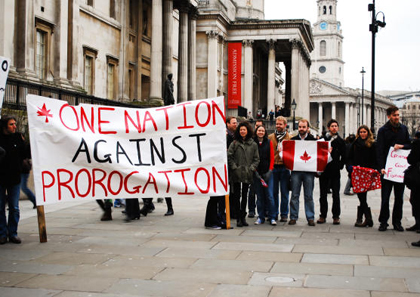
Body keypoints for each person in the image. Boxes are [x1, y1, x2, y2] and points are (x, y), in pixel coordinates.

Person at [376, 106, 411, 232]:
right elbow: (379, 150)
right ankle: (383, 222)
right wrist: (381, 167)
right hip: (387, 169)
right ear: (389, 116)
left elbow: (409, 145)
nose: (397, 117)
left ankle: (397, 222)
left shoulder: (403, 129)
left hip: (399, 170)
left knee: (399, 198)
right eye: (394, 115)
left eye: (398, 115)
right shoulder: (383, 130)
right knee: (385, 198)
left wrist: (402, 146)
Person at [0, 115, 26, 244]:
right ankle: (2, 234)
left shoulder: (17, 137)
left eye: (15, 124)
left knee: (14, 207)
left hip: (14, 178)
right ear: (4, 126)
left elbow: (25, 154)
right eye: (11, 124)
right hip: (1, 177)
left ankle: (13, 233)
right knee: (0, 208)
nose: (14, 126)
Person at [228, 121, 259, 227]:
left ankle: (243, 216)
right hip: (236, 173)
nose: (242, 131)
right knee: (236, 196)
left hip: (247, 173)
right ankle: (237, 218)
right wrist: (234, 167)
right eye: (241, 130)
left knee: (245, 195)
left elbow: (256, 159)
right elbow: (229, 157)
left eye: (244, 130)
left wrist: (251, 168)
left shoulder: (253, 144)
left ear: (247, 131)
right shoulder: (234, 143)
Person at [317, 119, 346, 225]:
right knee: (323, 194)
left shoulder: (341, 141)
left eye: (336, 126)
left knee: (336, 194)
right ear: (328, 127)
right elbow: (317, 153)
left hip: (335, 170)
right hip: (324, 170)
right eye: (332, 126)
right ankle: (322, 215)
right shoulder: (322, 140)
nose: (334, 128)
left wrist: (340, 165)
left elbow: (344, 155)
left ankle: (336, 216)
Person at [347, 125, 377, 227]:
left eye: (364, 132)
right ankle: (366, 219)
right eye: (361, 132)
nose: (363, 134)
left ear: (368, 133)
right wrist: (350, 167)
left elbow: (374, 159)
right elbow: (349, 157)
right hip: (357, 173)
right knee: (361, 195)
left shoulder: (372, 144)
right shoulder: (355, 144)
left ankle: (363, 218)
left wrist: (373, 169)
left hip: (367, 173)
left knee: (362, 195)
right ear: (358, 133)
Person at [288, 119, 317, 226]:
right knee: (294, 195)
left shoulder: (313, 140)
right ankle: (293, 217)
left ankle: (310, 217)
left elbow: (317, 155)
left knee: (308, 195)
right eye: (300, 127)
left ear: (308, 128)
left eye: (304, 127)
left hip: (309, 171)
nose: (301, 129)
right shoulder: (293, 140)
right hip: (296, 171)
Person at [268, 116, 291, 222]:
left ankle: (284, 214)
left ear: (285, 125)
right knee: (274, 192)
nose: (278, 126)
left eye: (280, 124)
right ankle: (274, 213)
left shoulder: (290, 138)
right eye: (277, 124)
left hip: (284, 167)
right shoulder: (270, 137)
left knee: (285, 192)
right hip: (273, 167)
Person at [253, 125, 276, 225]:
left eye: (262, 130)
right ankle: (260, 217)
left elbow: (272, 157)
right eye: (259, 130)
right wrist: (255, 171)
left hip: (268, 172)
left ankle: (272, 217)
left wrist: (270, 170)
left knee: (270, 196)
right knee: (260, 196)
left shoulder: (269, 142)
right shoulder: (253, 143)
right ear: (256, 132)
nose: (261, 132)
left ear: (265, 132)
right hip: (257, 173)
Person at [248, 119, 264, 218]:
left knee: (262, 192)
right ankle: (251, 210)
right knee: (252, 191)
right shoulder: (251, 140)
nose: (258, 128)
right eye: (256, 126)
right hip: (253, 169)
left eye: (260, 126)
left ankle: (263, 210)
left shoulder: (267, 141)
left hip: (263, 169)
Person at [407, 131, 420, 233]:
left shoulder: (416, 144)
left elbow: (410, 159)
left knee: (415, 200)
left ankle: (418, 223)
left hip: (417, 177)